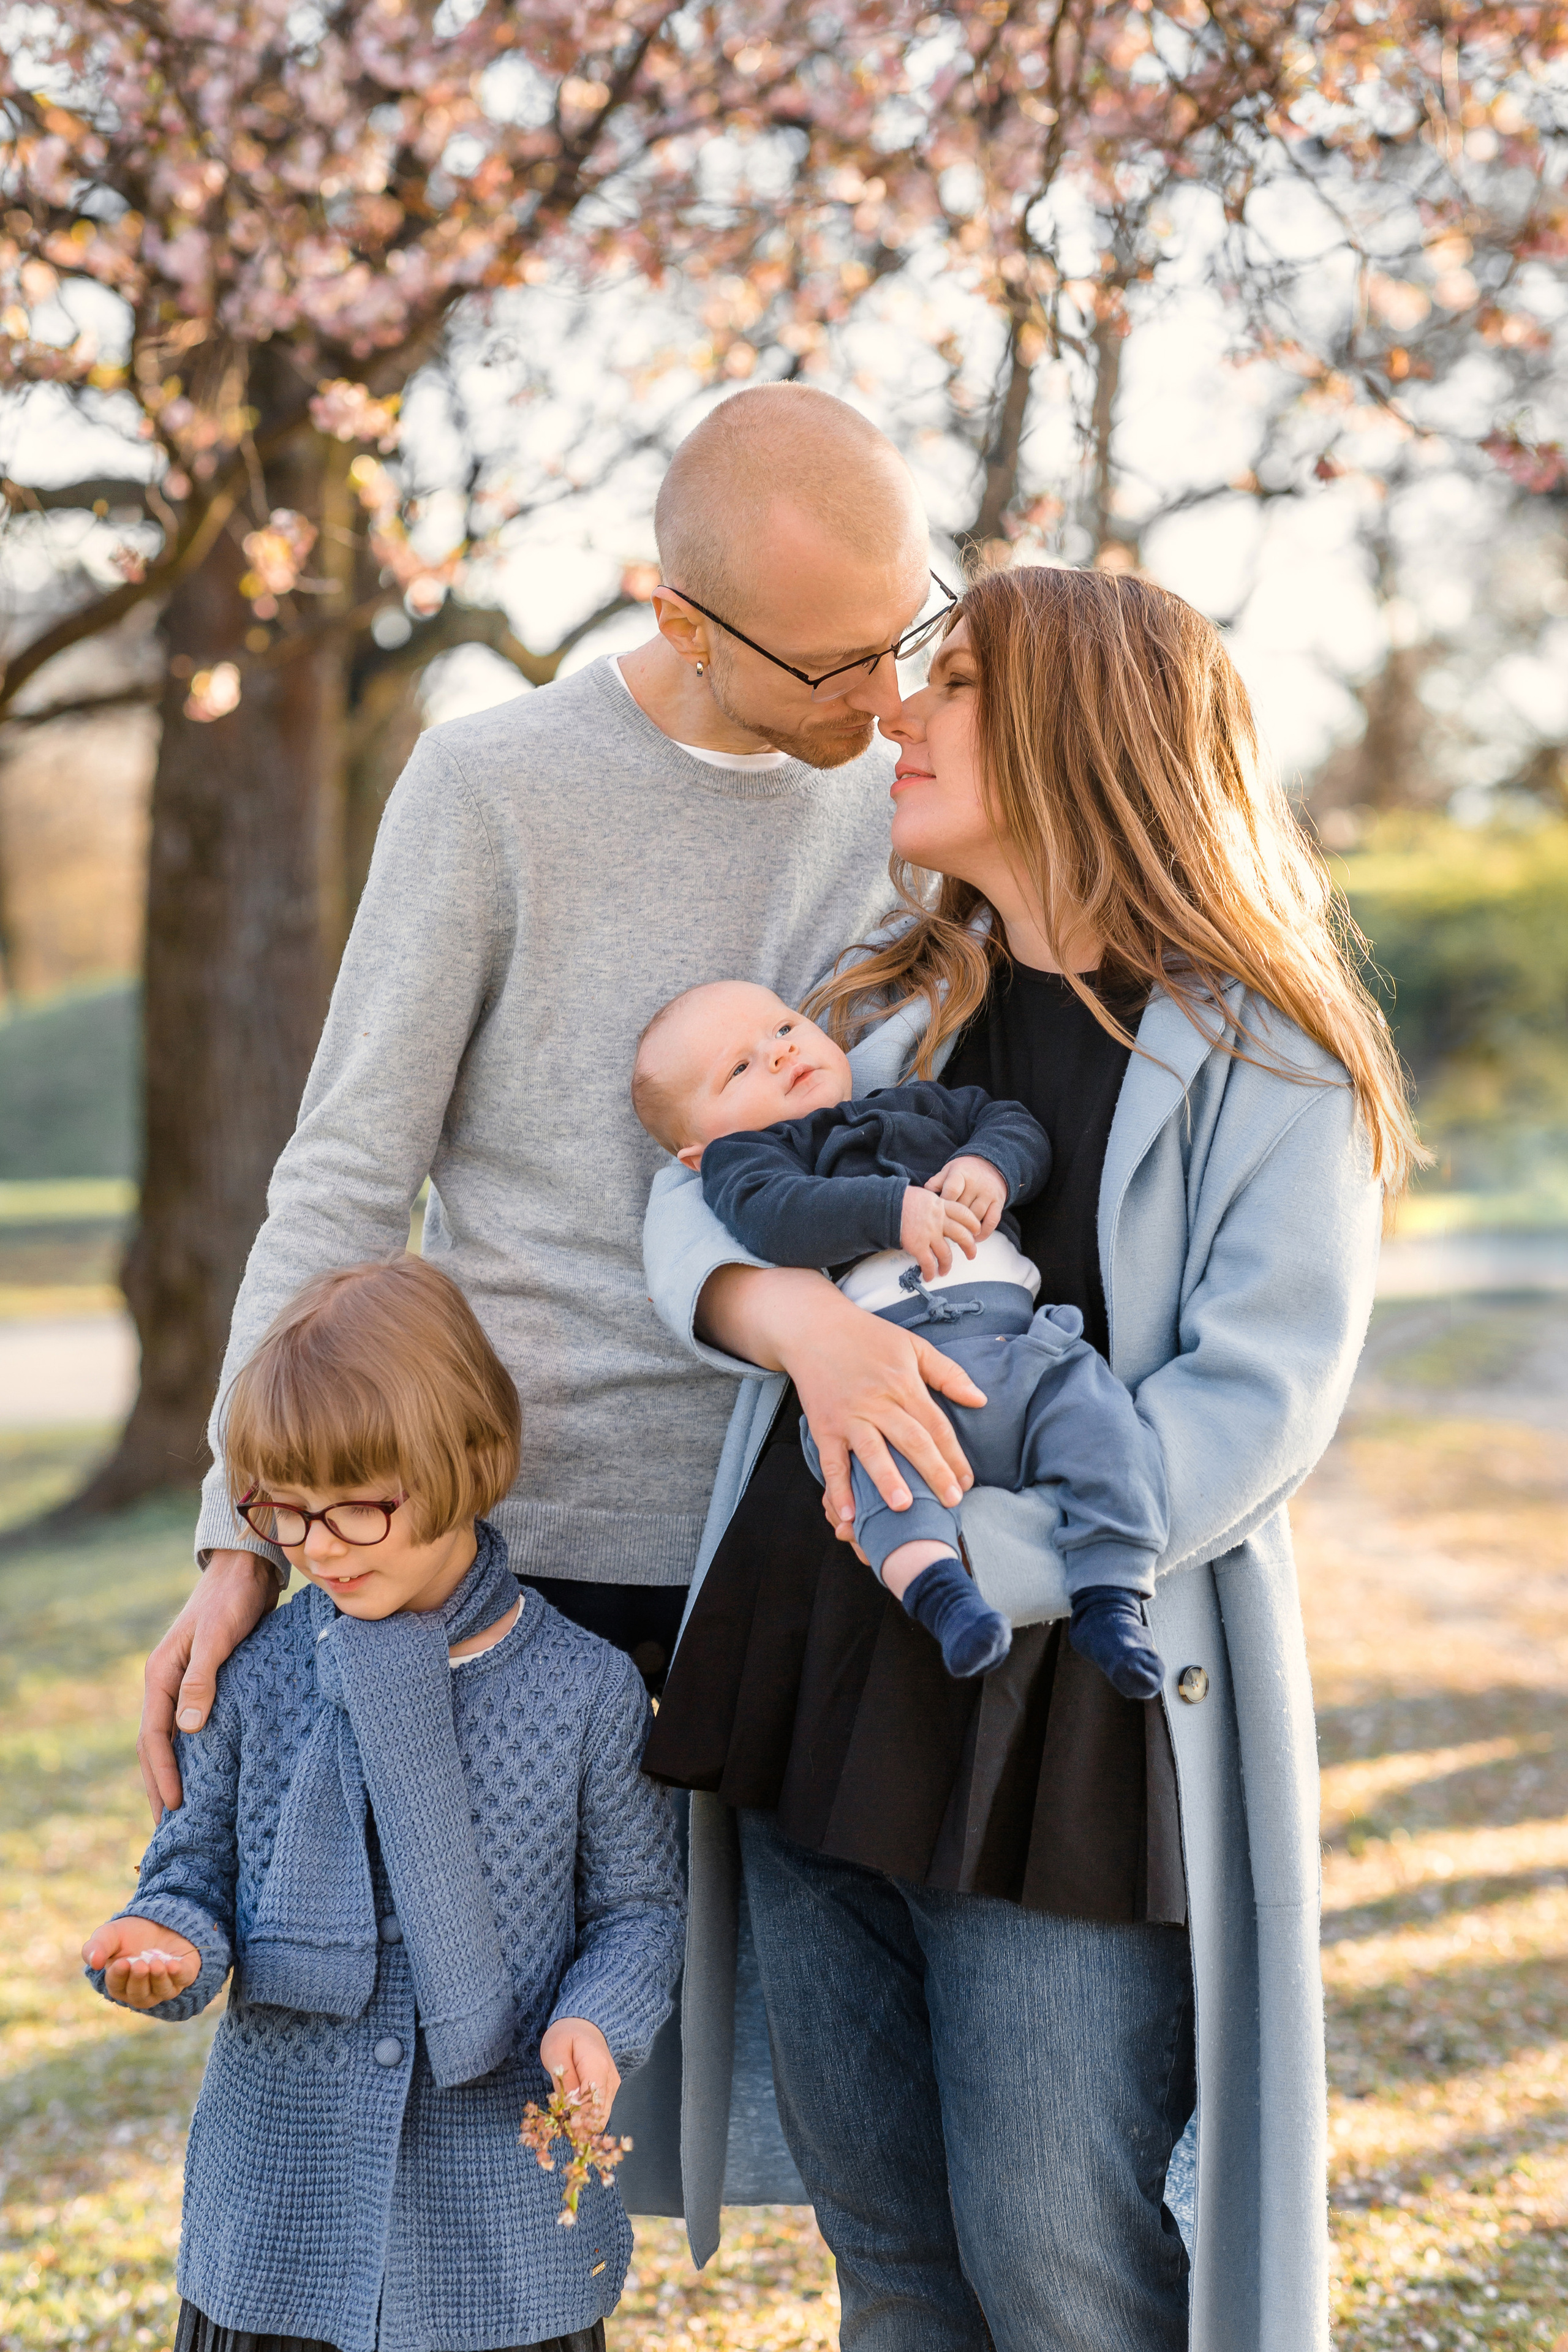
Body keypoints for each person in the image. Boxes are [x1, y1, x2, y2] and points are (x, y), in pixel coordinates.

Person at [135, 382, 981, 2206]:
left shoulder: (907, 789)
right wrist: (234, 1534)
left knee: (875, 2136)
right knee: (474, 2116)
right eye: (835, 663)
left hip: (825, 1524)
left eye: (904, 637)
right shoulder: (492, 783)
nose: (887, 699)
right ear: (676, 616)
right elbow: (348, 1172)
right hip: (541, 1559)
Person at [641, 566, 1422, 2347]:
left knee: (1061, 2272)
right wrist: (791, 1323)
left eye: (958, 683)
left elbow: (1252, 1407)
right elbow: (692, 1209)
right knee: (893, 2269)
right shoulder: (902, 1005)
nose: (897, 716)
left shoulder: (1267, 1057)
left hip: (1058, 1707)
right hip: (805, 1682)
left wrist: (990, 1553)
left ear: (1091, 726)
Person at [85, 1256, 685, 2352]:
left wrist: (597, 2022)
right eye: (287, 1511)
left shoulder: (587, 1689)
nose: (315, 1547)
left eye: (359, 1508)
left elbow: (640, 1912)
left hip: (500, 2230)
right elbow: (192, 1876)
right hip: (277, 2216)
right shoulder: (255, 1676)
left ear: (472, 1461)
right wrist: (162, 1942)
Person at [630, 978, 1169, 1692]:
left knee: (1102, 1422)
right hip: (888, 1378)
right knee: (870, 1480)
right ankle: (945, 1600)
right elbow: (776, 1217)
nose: (777, 1056)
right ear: (697, 1153)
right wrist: (890, 1211)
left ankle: (1113, 1596)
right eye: (737, 1069)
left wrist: (989, 1166)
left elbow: (1011, 1124)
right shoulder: (749, 1163)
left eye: (785, 1029)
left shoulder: (923, 1103)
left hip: (1022, 1351)